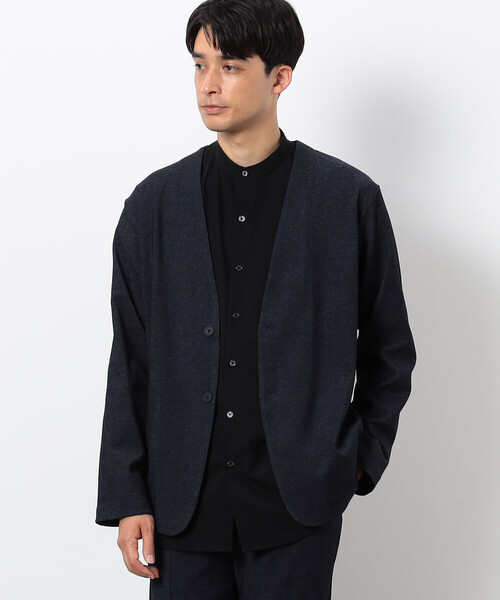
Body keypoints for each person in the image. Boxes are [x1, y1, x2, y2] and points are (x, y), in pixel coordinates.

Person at [95, 0, 417, 598]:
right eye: (199, 65)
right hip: (180, 508)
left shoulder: (346, 200)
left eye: (231, 66)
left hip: (297, 506)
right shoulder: (153, 207)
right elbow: (131, 360)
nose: (208, 85)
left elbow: (390, 349)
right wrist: (127, 493)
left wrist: (356, 459)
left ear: (280, 77)